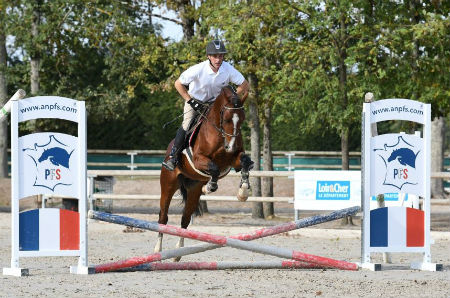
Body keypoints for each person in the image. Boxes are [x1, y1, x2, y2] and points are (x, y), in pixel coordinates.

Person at [162, 40, 249, 171]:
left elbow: (244, 85)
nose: (218, 59)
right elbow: (178, 84)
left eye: (221, 56)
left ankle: (237, 156)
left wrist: (230, 98)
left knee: (231, 123)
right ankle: (173, 157)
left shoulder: (228, 68)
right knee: (187, 124)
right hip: (195, 101)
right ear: (208, 56)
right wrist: (190, 100)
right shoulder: (198, 69)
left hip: (215, 104)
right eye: (215, 56)